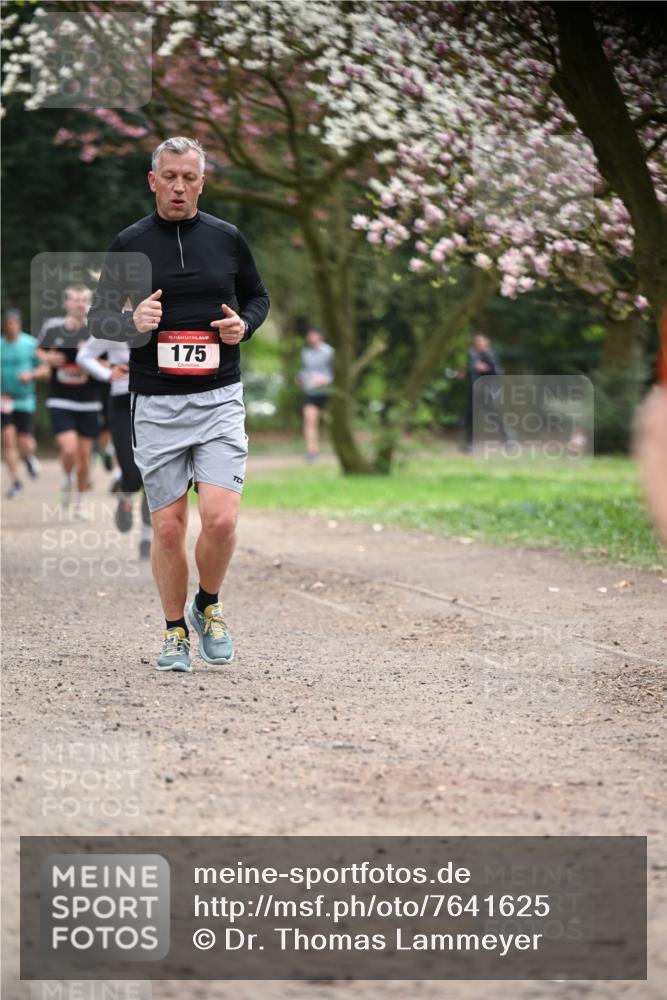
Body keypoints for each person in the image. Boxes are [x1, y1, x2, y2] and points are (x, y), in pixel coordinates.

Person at [88, 136, 269, 673]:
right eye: (170, 176)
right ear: (152, 180)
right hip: (158, 401)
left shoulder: (226, 238)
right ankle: (174, 633)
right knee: (168, 527)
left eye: (190, 177)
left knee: (221, 520)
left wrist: (245, 326)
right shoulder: (130, 243)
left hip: (218, 398)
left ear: (202, 181)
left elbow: (258, 297)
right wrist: (131, 323)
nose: (180, 187)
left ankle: (207, 606)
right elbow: (100, 319)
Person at [76, 336, 153, 558]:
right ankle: (126, 496)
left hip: (157, 400)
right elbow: (84, 356)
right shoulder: (112, 323)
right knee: (131, 472)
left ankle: (147, 537)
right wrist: (107, 374)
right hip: (122, 401)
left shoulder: (161, 314)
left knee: (154, 472)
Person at [36, 284, 102, 516]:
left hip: (89, 401)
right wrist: (48, 358)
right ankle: (66, 477)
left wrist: (89, 359)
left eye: (84, 299)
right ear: (66, 303)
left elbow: (107, 362)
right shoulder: (53, 327)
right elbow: (39, 350)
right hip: (60, 399)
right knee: (70, 449)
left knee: (84, 457)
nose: (79, 303)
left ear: (89, 303)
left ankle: (80, 501)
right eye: (75, 299)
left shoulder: (97, 331)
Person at [1, 308, 46, 498]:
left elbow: (46, 368)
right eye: (7, 322)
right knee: (8, 439)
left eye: (14, 322)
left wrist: (31, 375)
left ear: (19, 324)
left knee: (24, 442)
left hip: (25, 399)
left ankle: (28, 456)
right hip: (5, 399)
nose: (10, 326)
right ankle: (15, 482)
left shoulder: (30, 344)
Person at [462, 332, 511, 452]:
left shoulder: (491, 355)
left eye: (481, 341)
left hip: (488, 391)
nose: (478, 344)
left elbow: (497, 372)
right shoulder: (472, 354)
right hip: (475, 390)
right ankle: (469, 443)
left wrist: (486, 368)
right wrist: (464, 374)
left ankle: (509, 438)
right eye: (476, 342)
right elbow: (472, 371)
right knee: (471, 417)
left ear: (486, 343)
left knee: (494, 415)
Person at [296, 327, 334, 462]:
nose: (311, 338)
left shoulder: (329, 352)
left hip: (328, 391)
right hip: (311, 392)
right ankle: (312, 452)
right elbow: (305, 370)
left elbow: (337, 371)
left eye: (314, 335)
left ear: (320, 336)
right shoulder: (305, 353)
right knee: (309, 419)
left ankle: (337, 448)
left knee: (331, 422)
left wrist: (326, 380)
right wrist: (301, 377)